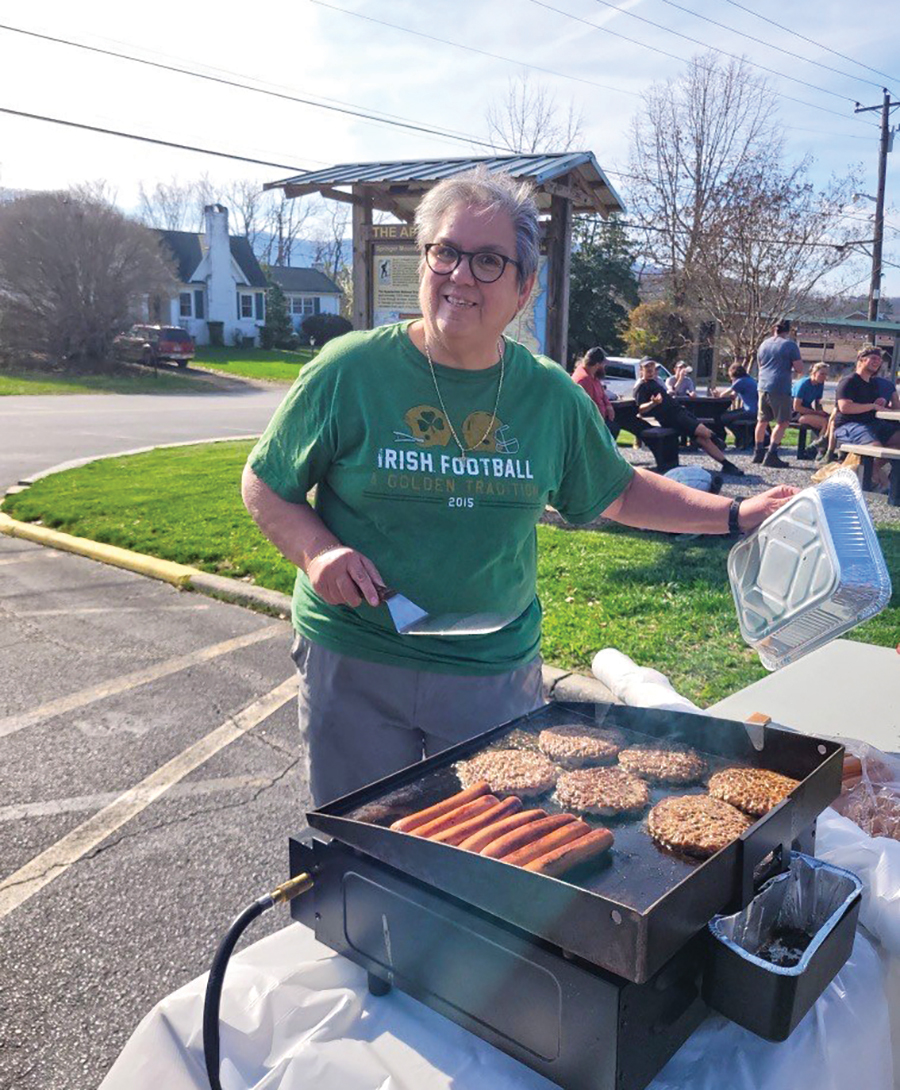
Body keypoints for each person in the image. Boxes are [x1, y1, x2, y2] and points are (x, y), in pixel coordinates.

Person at [241, 167, 795, 806]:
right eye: (445, 252)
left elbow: (619, 491)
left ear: (524, 285)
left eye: (487, 261)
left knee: (491, 858)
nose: (459, 275)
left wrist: (735, 515)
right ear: (423, 259)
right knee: (361, 852)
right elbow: (265, 482)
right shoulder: (350, 370)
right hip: (358, 656)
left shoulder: (548, 395)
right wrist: (317, 552)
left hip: (491, 672)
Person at [633, 358, 745, 476]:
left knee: (703, 440)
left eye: (652, 367)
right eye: (647, 368)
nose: (651, 370)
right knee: (705, 433)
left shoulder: (656, 382)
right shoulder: (641, 386)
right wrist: (653, 403)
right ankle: (716, 439)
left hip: (679, 412)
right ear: (641, 370)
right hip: (670, 417)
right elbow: (640, 409)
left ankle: (727, 465)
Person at [833, 344, 900, 487]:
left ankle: (870, 470)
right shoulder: (849, 381)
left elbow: (871, 407)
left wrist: (879, 404)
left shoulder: (872, 384)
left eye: (879, 360)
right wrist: (872, 405)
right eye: (873, 358)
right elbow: (845, 407)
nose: (877, 362)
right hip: (848, 425)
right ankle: (886, 487)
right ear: (861, 360)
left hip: (871, 423)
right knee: (875, 448)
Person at [754, 319, 804, 468]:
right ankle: (772, 454)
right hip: (780, 387)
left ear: (773, 329)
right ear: (788, 331)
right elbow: (799, 368)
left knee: (762, 420)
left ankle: (758, 452)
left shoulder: (763, 344)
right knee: (783, 422)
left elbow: (760, 364)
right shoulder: (789, 345)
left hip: (763, 385)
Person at [571, 346, 619, 438]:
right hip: (591, 425)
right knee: (613, 429)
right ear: (597, 364)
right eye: (603, 364)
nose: (604, 366)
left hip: (601, 419)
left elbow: (602, 394)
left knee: (615, 426)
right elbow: (587, 407)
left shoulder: (593, 376)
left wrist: (608, 406)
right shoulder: (583, 379)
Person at [719, 363, 759, 449]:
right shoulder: (748, 379)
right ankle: (741, 437)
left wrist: (717, 394)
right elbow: (733, 395)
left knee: (723, 418)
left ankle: (741, 436)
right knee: (729, 416)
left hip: (750, 411)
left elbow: (723, 395)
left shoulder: (740, 381)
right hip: (754, 410)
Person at [792, 362, 830, 438]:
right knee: (824, 422)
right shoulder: (804, 384)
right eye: (822, 374)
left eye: (826, 374)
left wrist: (822, 413)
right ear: (814, 373)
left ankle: (822, 443)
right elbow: (796, 407)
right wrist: (816, 413)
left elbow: (817, 404)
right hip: (794, 413)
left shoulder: (820, 384)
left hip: (807, 411)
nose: (824, 377)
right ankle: (819, 445)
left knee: (830, 421)